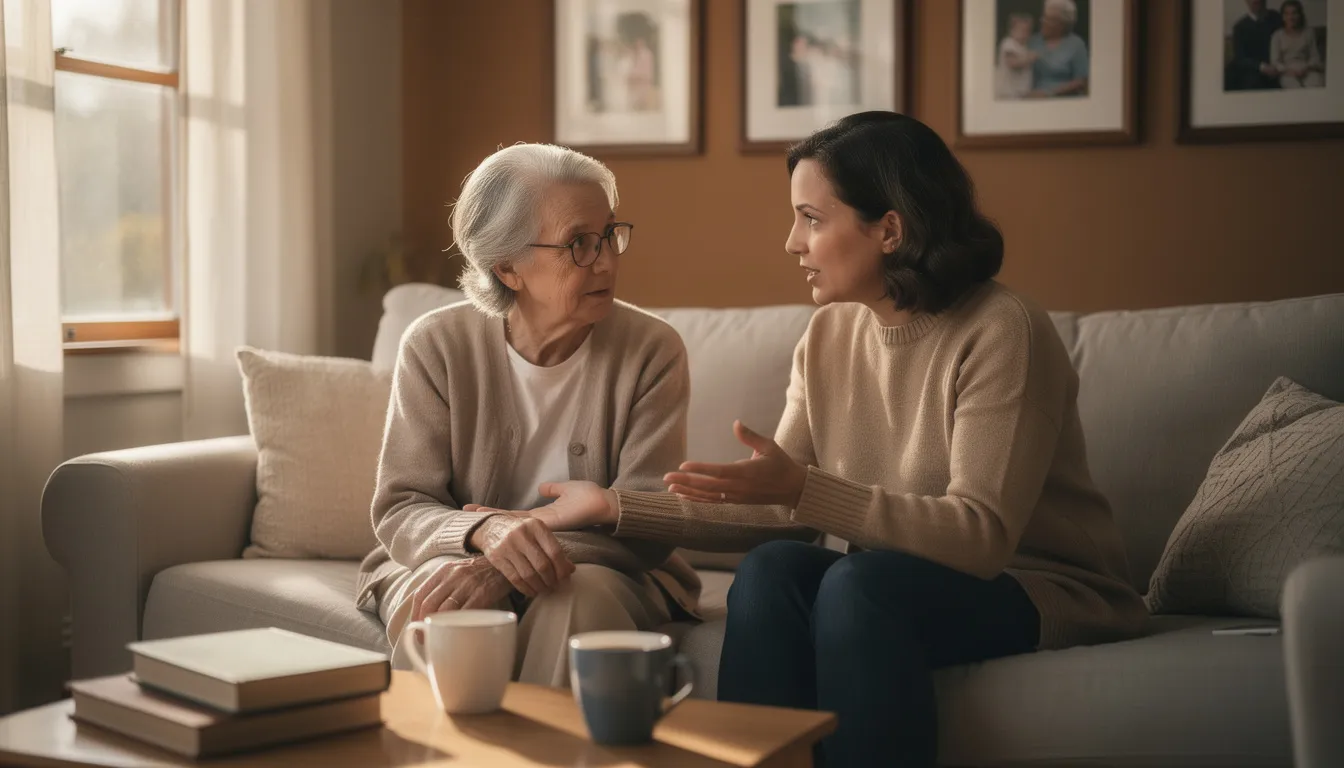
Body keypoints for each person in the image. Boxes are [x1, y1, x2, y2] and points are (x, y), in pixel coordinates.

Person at [487, 113, 1148, 766]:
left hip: (1036, 588)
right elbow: (781, 510)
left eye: (810, 218)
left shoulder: (1002, 330)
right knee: (773, 571)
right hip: (897, 582)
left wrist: (805, 488)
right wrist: (612, 505)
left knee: (858, 585)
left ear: (889, 229)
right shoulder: (832, 334)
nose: (791, 243)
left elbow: (980, 538)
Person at [355, 143, 701, 687]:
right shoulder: (436, 345)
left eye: (610, 235)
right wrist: (485, 532)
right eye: (579, 244)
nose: (608, 260)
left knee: (575, 596)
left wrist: (507, 563)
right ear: (507, 267)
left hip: (605, 569)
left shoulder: (653, 351)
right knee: (446, 601)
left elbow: (649, 523)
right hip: (451, 554)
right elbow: (401, 507)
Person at [1027, 0, 1089, 98]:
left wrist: (1048, 94)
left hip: (1063, 101)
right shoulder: (1034, 41)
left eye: (1049, 19)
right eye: (1044, 16)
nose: (1042, 21)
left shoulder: (1076, 44)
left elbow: (1081, 82)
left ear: (1063, 24)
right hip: (1032, 100)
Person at [1227, 0, 1284, 91]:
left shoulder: (1276, 18)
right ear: (1246, 2)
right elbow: (1240, 58)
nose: (1256, 1)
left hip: (1279, 66)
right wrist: (1262, 67)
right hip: (1253, 70)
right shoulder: (1239, 27)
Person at [1270, 0, 1325, 89]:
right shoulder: (1277, 35)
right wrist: (1288, 71)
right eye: (1287, 14)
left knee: (1316, 83)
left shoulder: (1308, 33)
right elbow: (1275, 61)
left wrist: (1306, 68)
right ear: (1283, 17)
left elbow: (1315, 56)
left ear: (1299, 15)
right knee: (1294, 88)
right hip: (1287, 73)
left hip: (1307, 70)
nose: (1291, 17)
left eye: (1294, 13)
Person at [995, 12, 1038, 99]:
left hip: (1021, 92)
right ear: (1011, 31)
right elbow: (1012, 63)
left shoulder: (1024, 47)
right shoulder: (1009, 43)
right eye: (1021, 31)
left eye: (1028, 31)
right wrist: (1028, 58)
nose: (1025, 34)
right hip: (1008, 92)